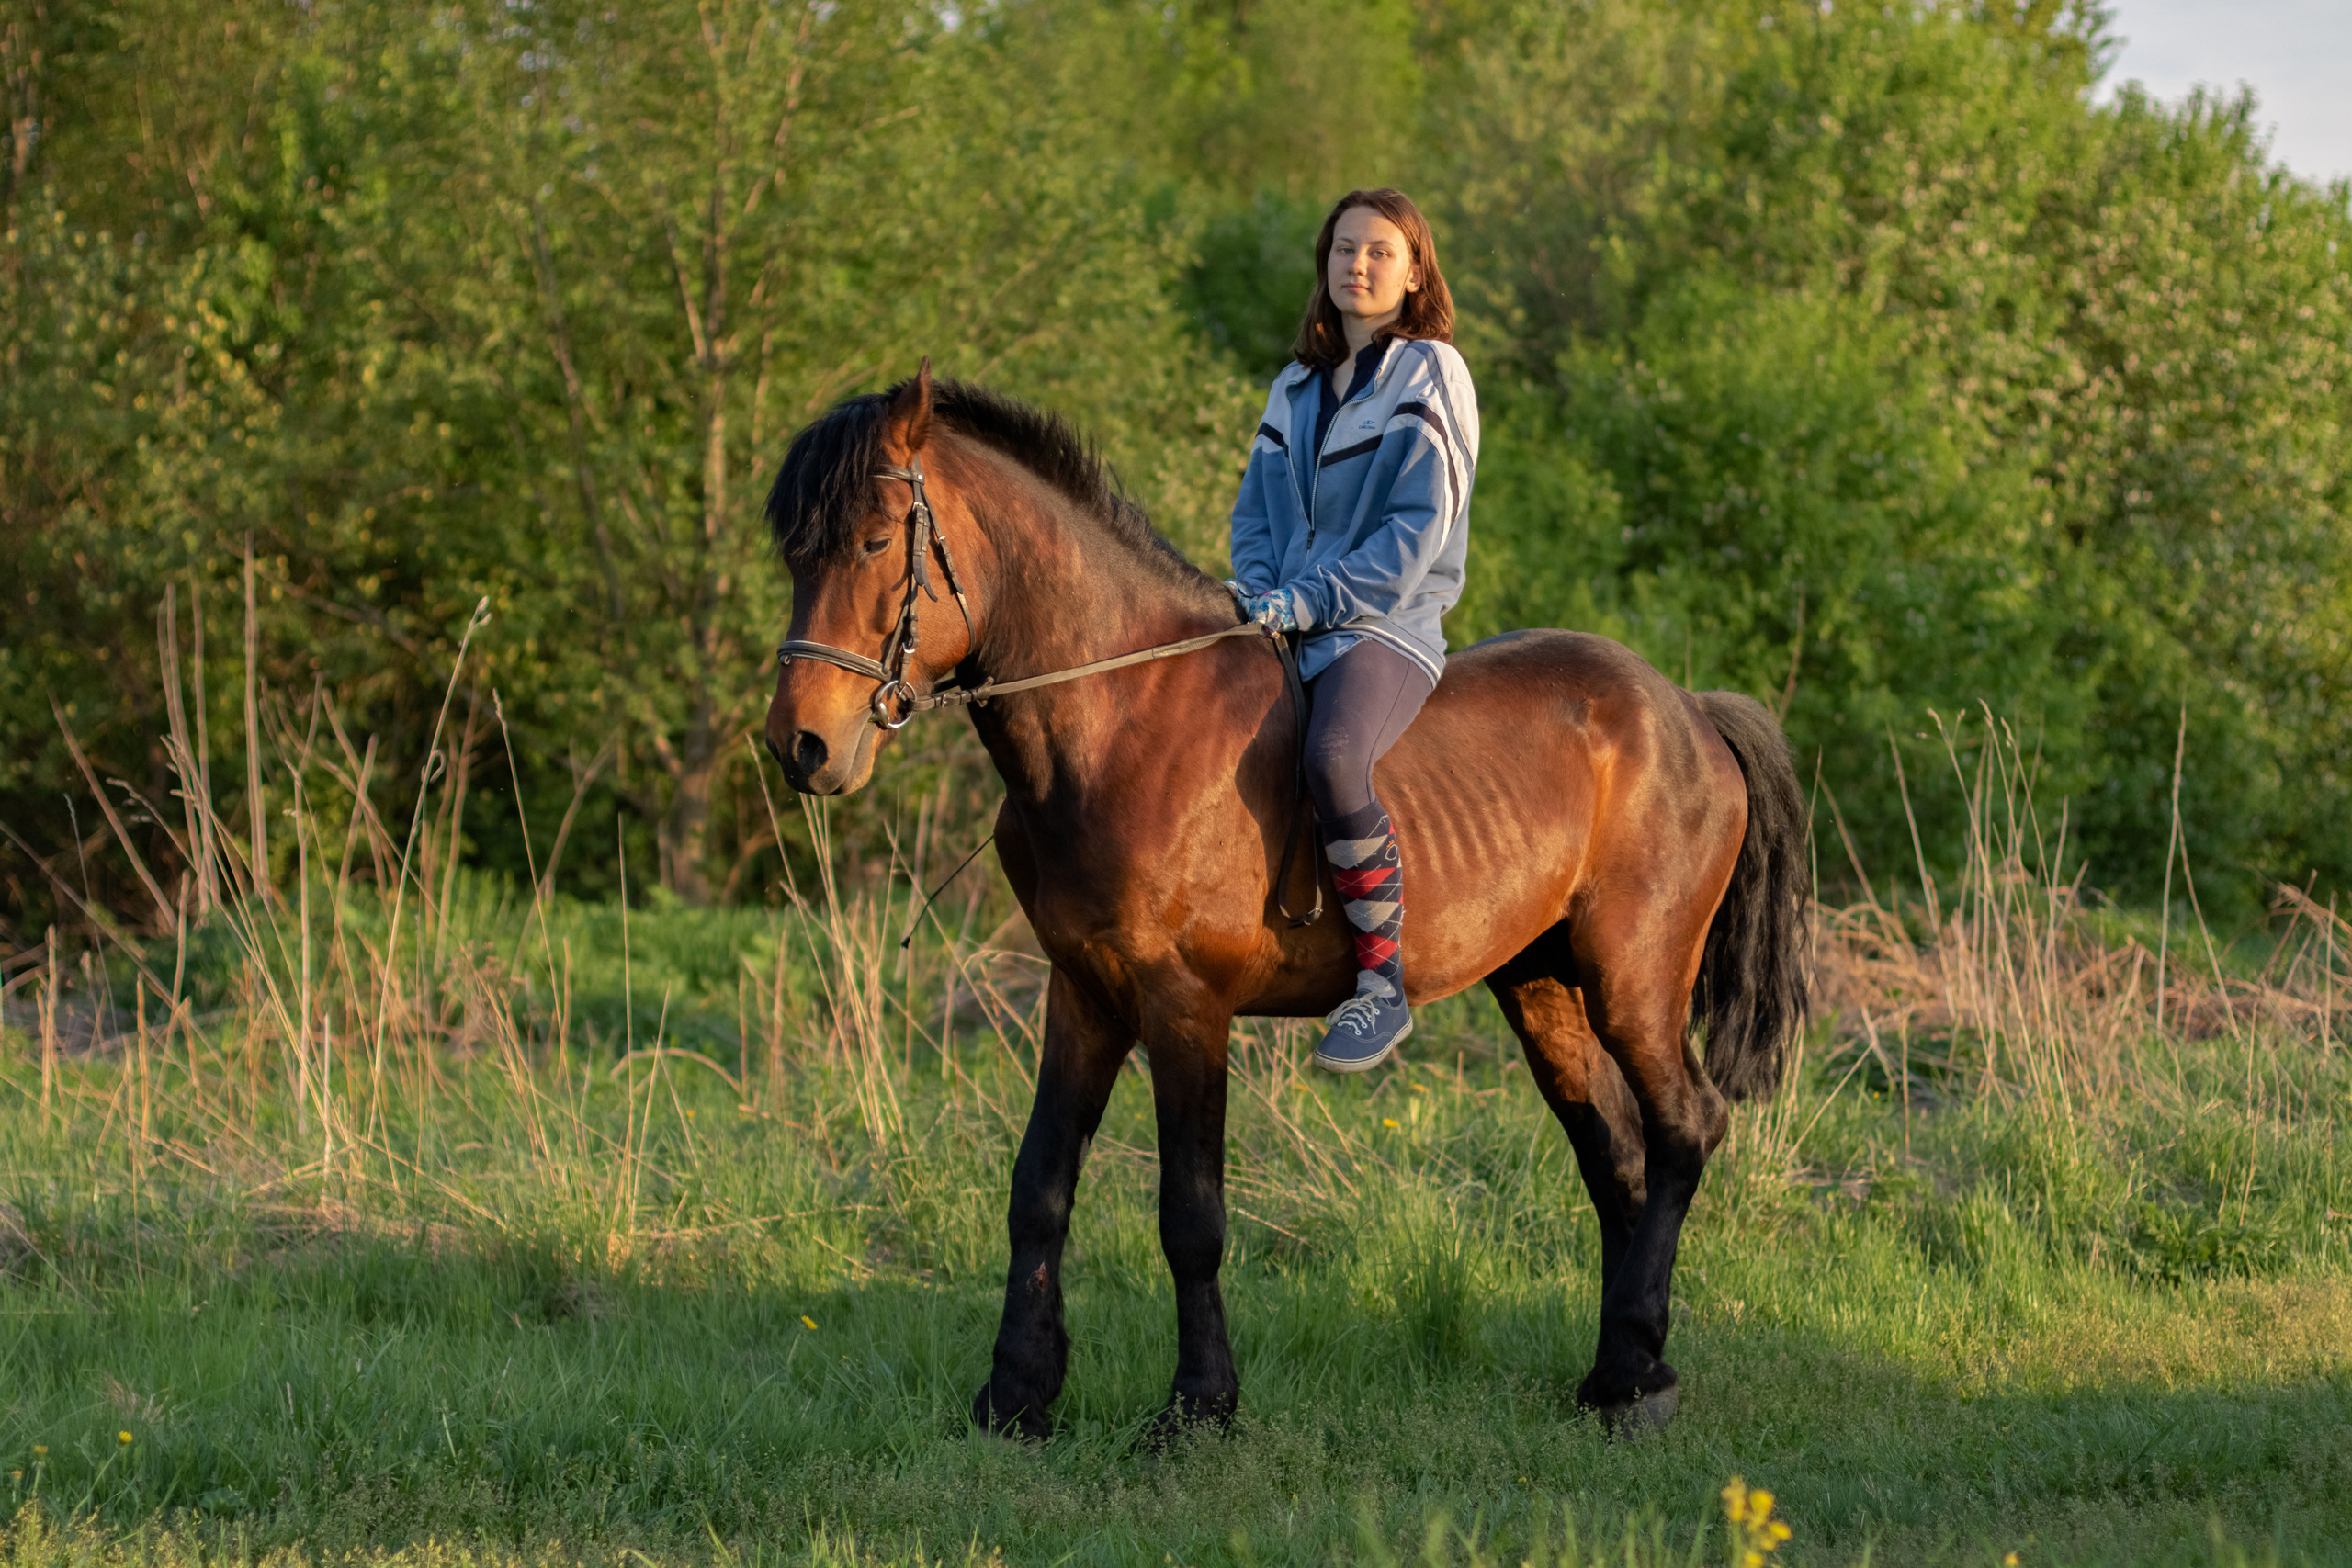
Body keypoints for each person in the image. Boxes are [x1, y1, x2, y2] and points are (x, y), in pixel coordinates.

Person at [1226, 187, 1480, 1073]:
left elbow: (1419, 530)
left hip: (1386, 624)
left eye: (1379, 251)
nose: (1357, 265)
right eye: (1343, 250)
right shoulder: (1293, 387)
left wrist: (1312, 599)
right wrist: (1259, 593)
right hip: (1288, 620)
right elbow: (1254, 515)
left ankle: (1380, 983)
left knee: (1334, 756)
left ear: (1415, 273)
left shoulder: (1433, 373)